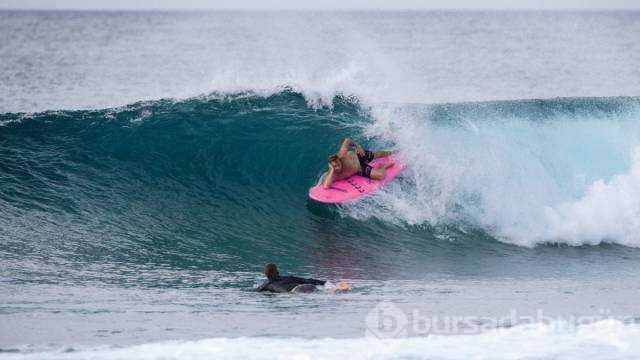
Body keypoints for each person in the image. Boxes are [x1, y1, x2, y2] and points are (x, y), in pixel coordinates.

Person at [322, 138, 395, 189]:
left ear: (339, 160)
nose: (337, 167)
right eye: (334, 166)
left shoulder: (341, 155)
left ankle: (392, 152)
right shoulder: (333, 174)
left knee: (377, 154)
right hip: (360, 169)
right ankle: (383, 166)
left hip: (359, 156)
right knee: (381, 175)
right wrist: (332, 170)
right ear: (331, 166)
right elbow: (325, 186)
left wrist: (357, 146)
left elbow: (347, 140)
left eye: (338, 164)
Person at [256, 263, 352, 293]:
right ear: (277, 272)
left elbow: (256, 291)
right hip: (307, 286)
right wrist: (324, 282)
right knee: (324, 291)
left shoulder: (267, 285)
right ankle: (335, 287)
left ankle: (336, 289)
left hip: (296, 291)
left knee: (324, 294)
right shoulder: (287, 278)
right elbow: (306, 280)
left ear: (266, 274)